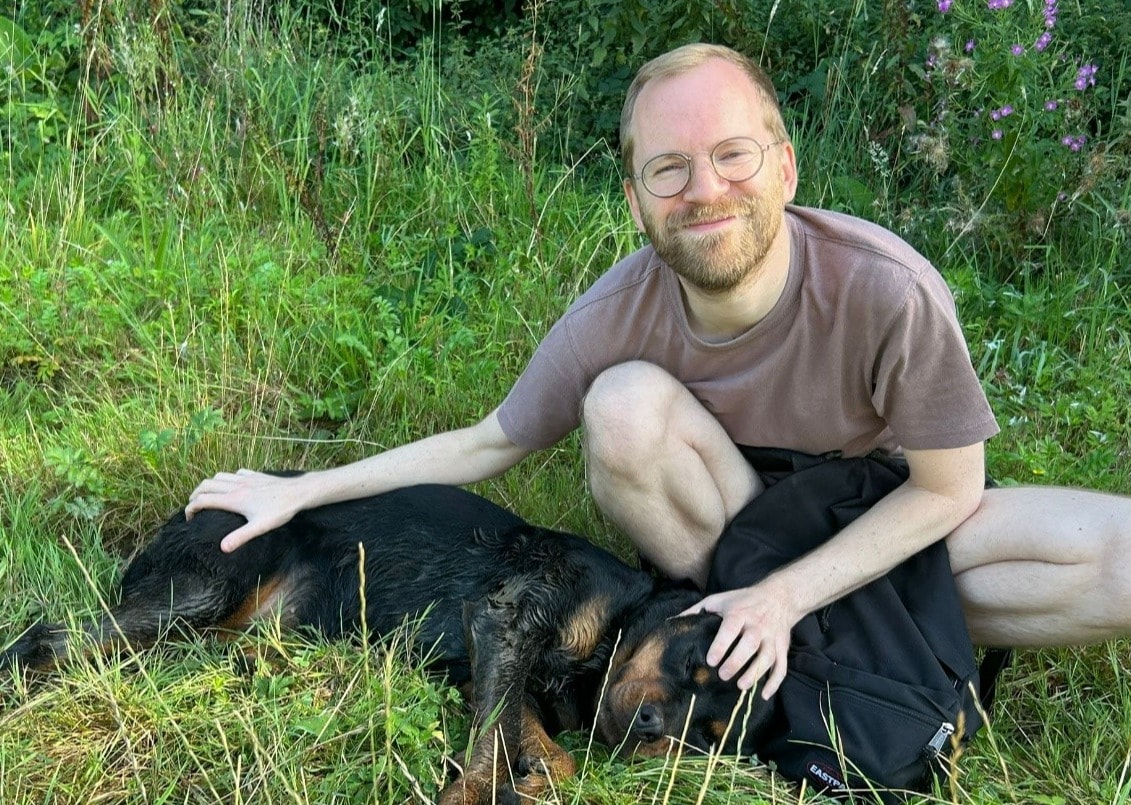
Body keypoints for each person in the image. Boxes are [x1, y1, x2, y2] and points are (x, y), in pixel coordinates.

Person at [188, 43, 1131, 702]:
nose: (704, 189)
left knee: (1120, 557)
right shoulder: (613, 312)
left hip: (876, 520)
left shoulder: (888, 290)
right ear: (636, 198)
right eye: (668, 169)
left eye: (731, 155)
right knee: (624, 404)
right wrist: (302, 488)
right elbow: (489, 440)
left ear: (785, 168)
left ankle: (807, 639)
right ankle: (794, 641)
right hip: (730, 528)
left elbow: (947, 489)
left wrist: (788, 596)